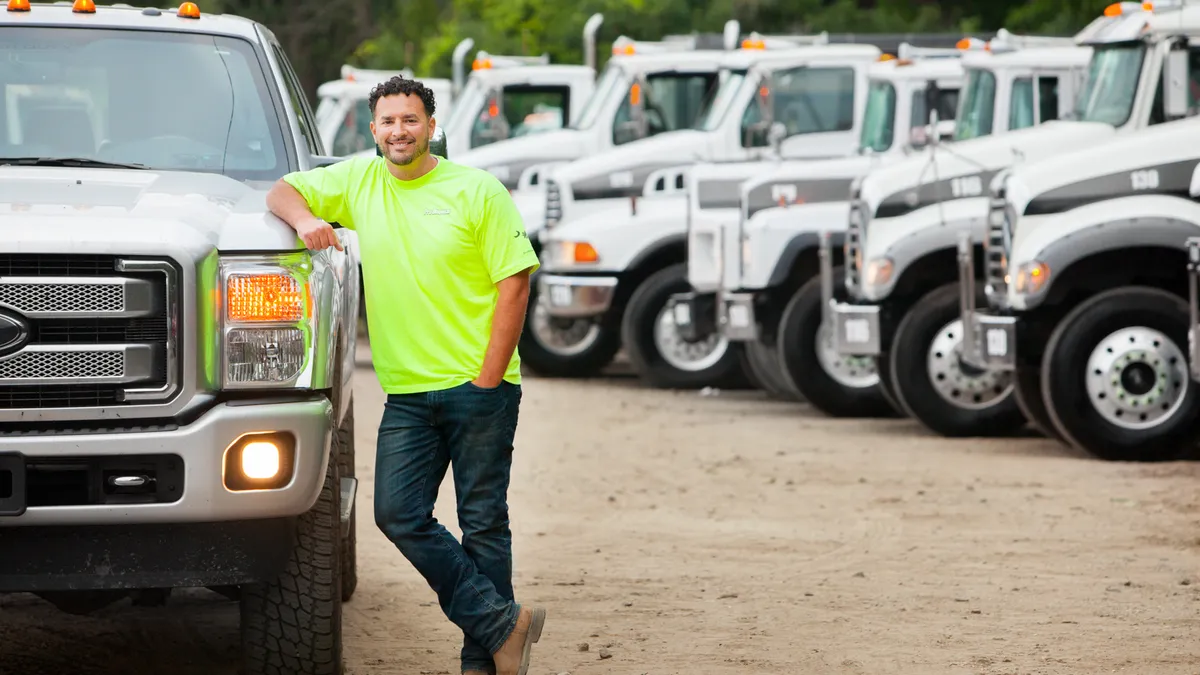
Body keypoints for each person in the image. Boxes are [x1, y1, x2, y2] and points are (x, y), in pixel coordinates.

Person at [264, 75, 545, 675]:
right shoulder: (358, 181)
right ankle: (503, 623)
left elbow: (515, 282)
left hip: (479, 387)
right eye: (388, 122)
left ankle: (484, 660)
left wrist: (489, 380)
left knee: (483, 522)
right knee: (396, 513)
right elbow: (282, 191)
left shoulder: (477, 191)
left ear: (431, 126)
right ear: (373, 130)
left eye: (410, 120)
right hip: (409, 394)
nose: (399, 131)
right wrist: (306, 222)